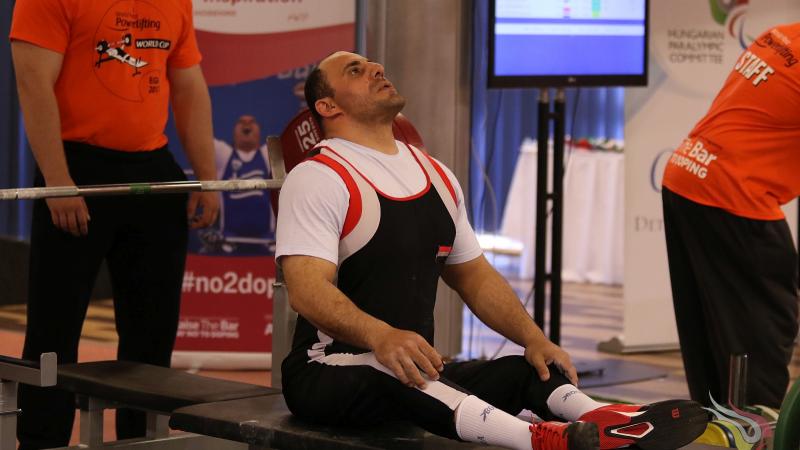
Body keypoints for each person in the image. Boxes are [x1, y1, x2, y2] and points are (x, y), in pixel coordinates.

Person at [276, 51, 708, 450]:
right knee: (393, 368)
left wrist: (534, 338)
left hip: (414, 371)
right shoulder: (318, 177)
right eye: (355, 70)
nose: (375, 70)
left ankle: (609, 421)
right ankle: (540, 440)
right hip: (326, 372)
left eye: (374, 65)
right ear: (328, 107)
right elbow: (307, 290)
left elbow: (476, 277)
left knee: (528, 366)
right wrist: (381, 336)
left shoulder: (436, 174)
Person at [9, 0, 220, 447]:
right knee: (53, 331)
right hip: (77, 166)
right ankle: (39, 441)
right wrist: (59, 182)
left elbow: (188, 87)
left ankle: (140, 441)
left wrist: (206, 177)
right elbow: (33, 83)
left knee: (152, 331)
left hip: (152, 169)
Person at [662, 23, 800, 409]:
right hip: (733, 195)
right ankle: (754, 431)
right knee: (761, 333)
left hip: (687, 175)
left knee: (711, 334)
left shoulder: (784, 34)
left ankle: (720, 425)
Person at [203, 115, 274, 256]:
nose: (246, 124)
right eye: (241, 122)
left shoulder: (268, 154)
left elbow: (296, 139)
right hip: (228, 244)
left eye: (252, 122)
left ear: (259, 131)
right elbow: (199, 138)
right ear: (234, 131)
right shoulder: (224, 154)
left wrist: (304, 102)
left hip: (267, 244)